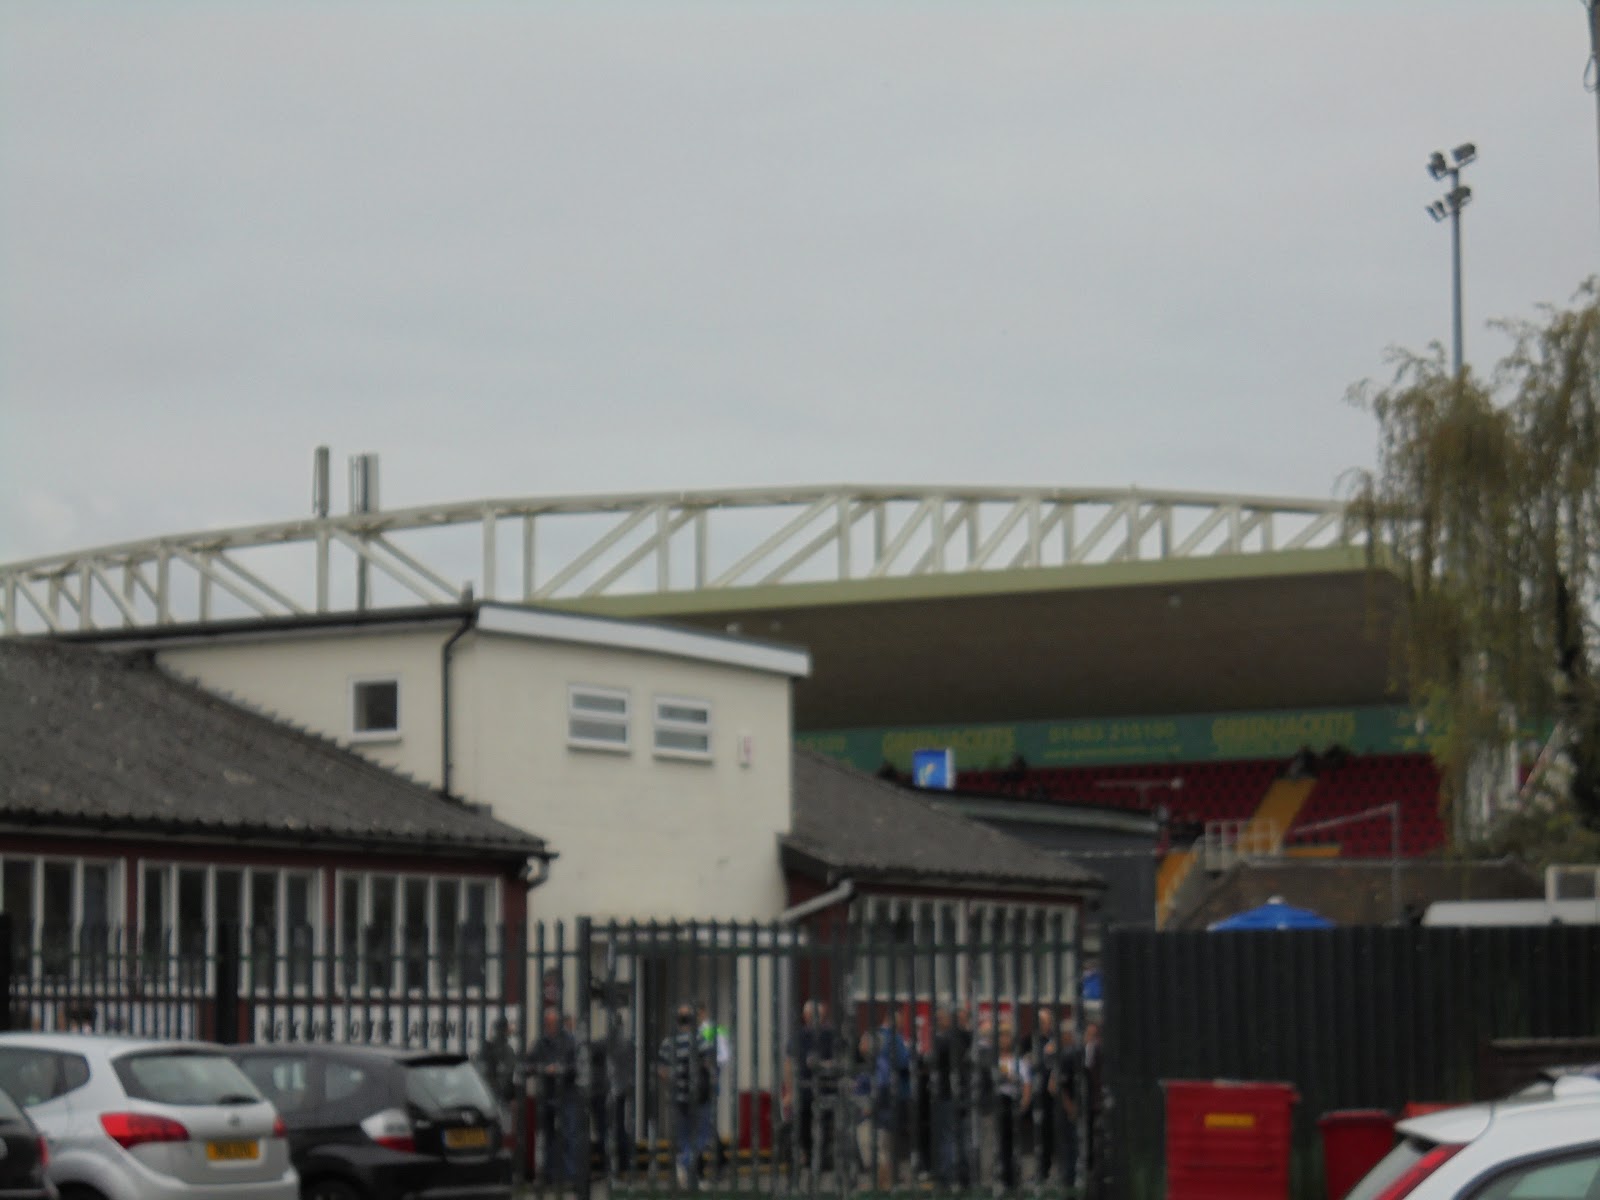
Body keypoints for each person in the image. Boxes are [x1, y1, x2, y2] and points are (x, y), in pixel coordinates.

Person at [659, 1003, 715, 1190]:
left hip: (677, 1097)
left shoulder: (668, 1043)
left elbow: (662, 1072)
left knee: (682, 1137)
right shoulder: (699, 1039)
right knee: (702, 1135)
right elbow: (709, 1064)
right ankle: (683, 1163)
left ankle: (687, 1176)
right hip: (698, 1096)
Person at [526, 1008, 580, 1187]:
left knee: (568, 1135)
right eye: (547, 1023)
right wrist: (543, 1069)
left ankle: (569, 1176)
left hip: (567, 1095)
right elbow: (528, 1066)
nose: (549, 1026)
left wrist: (560, 1069)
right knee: (547, 1136)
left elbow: (577, 1067)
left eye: (552, 1023)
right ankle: (549, 1176)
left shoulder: (570, 1041)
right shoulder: (540, 1043)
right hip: (546, 1095)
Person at [785, 999, 838, 1181]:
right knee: (804, 1128)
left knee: (824, 1127)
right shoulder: (799, 1036)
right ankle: (809, 1159)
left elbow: (840, 1060)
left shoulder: (830, 1035)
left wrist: (824, 1065)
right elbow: (789, 1063)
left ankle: (820, 1161)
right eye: (811, 1015)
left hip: (826, 1090)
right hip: (804, 1091)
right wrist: (790, 1091)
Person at [929, 1004, 972, 1188]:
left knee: (947, 1137)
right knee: (962, 1136)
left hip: (946, 1093)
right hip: (962, 1092)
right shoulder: (965, 1038)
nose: (938, 1022)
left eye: (940, 1018)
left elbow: (932, 1061)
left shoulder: (945, 1040)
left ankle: (947, 1178)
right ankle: (964, 1176)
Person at [989, 1020, 1030, 1194]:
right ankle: (1003, 1177)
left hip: (1012, 1101)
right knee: (1000, 1142)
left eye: (1006, 1036)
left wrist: (1024, 1103)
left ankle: (1014, 1178)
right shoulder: (993, 1061)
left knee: (1014, 1142)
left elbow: (1027, 1084)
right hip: (999, 1102)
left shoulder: (1019, 1062)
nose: (1004, 1040)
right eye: (1001, 1037)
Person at [697, 1003, 732, 1177]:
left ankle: (714, 1163)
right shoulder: (694, 1032)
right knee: (705, 1122)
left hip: (707, 1081)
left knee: (706, 1121)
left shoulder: (712, 1030)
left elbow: (724, 1056)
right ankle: (716, 1162)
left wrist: (710, 1066)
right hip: (699, 1082)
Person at [1025, 1008, 1060, 1184]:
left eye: (1046, 1021)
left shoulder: (1056, 1040)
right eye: (1041, 1021)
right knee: (1040, 1134)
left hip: (1053, 1094)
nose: (1044, 1025)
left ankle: (1055, 1171)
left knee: (1053, 1133)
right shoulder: (1032, 1040)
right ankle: (1042, 1170)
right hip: (1037, 1093)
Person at [476, 1016, 519, 1134]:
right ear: (505, 1029)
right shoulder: (505, 1050)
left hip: (490, 1096)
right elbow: (510, 1076)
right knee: (503, 1132)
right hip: (500, 1097)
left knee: (491, 1132)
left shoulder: (487, 1048)